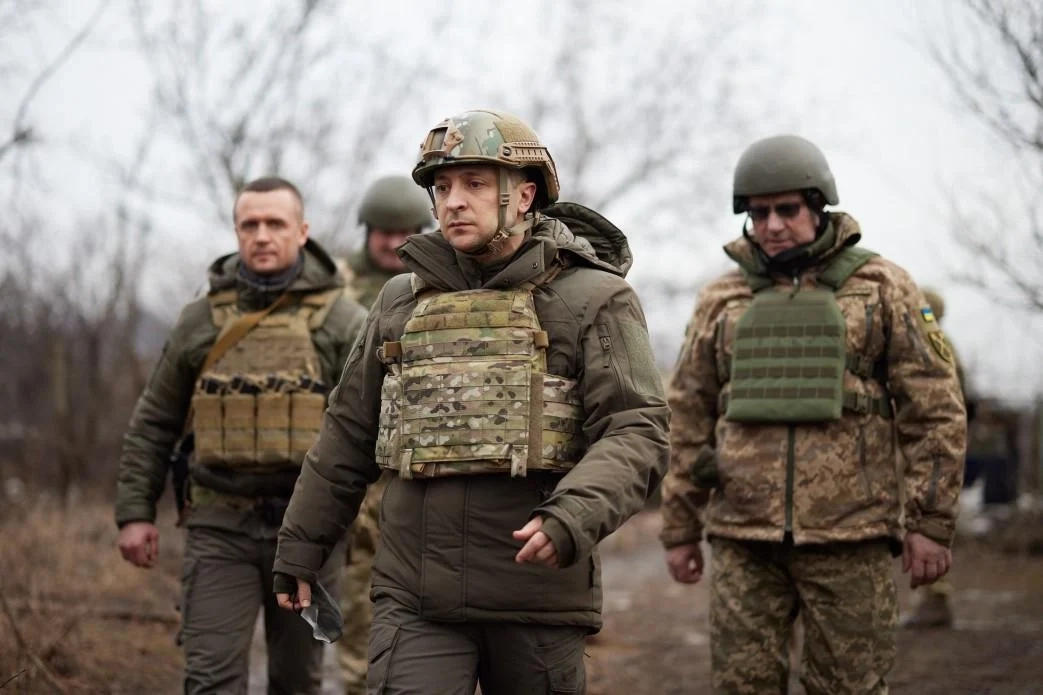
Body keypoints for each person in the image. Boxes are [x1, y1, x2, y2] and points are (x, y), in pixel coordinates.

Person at [272, 108, 669, 694]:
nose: (454, 201)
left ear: (525, 195)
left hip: (537, 594)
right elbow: (347, 433)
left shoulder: (594, 298)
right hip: (415, 597)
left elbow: (636, 428)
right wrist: (301, 546)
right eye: (442, 187)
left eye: (475, 184)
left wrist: (573, 516)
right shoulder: (399, 301)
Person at [659, 135, 967, 694]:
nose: (772, 225)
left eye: (787, 209)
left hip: (851, 534)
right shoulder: (721, 299)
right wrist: (680, 527)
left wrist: (931, 523)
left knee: (850, 688)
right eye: (758, 213)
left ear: (818, 204)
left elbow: (934, 410)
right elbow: (687, 415)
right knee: (741, 688)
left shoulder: (882, 287)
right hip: (743, 536)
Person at [115, 176, 367, 694]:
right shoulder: (201, 320)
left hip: (308, 530)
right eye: (249, 225)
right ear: (236, 232)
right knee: (211, 678)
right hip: (218, 523)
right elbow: (156, 420)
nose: (262, 235)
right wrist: (135, 512)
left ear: (302, 231)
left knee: (296, 681)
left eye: (275, 223)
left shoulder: (343, 321)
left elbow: (371, 428)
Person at [337, 175, 433, 694]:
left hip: (419, 462)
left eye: (405, 232)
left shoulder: (440, 280)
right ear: (367, 231)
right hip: (358, 463)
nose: (394, 243)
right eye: (384, 233)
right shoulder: (337, 286)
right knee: (358, 598)